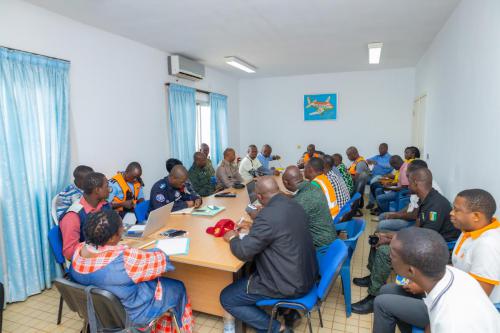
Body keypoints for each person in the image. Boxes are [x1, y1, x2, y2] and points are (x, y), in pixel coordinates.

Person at [373, 189, 500, 333]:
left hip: (458, 307)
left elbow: (476, 297)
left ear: (476, 216)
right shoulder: (469, 231)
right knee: (387, 289)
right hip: (446, 290)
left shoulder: (488, 245)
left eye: (457, 210)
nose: (451, 213)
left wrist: (425, 287)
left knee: (382, 304)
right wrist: (423, 281)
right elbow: (457, 268)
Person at [351, 167, 459, 314]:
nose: (407, 184)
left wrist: (393, 241)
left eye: (409, 181)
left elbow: (425, 240)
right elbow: (417, 228)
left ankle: (374, 296)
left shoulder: (435, 206)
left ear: (416, 183)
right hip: (424, 241)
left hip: (435, 250)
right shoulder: (426, 199)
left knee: (384, 250)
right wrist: (389, 236)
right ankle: (373, 276)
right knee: (379, 236)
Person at [220, 177, 318, 333]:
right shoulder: (294, 204)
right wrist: (254, 227)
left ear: (259, 197)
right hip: (307, 273)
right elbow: (280, 229)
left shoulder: (267, 216)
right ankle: (287, 311)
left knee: (227, 298)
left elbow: (244, 252)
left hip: (289, 283)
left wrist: (232, 238)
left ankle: (278, 328)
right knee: (253, 268)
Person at [70, 210, 193, 332]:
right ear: (112, 237)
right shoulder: (126, 259)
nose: (123, 229)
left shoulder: (78, 251)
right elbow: (161, 261)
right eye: (121, 227)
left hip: (97, 312)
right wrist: (140, 251)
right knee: (178, 286)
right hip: (132, 316)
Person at [389, 228, 500, 333]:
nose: (389, 256)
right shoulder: (456, 275)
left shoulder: (450, 324)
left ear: (411, 270)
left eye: (393, 255)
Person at [60, 172, 112, 260]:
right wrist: (97, 250)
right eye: (107, 186)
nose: (109, 190)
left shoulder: (104, 205)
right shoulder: (73, 216)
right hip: (85, 261)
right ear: (97, 190)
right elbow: (69, 253)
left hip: (106, 252)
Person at [282, 166, 336, 248]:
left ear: (285, 182)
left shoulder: (301, 200)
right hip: (329, 235)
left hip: (321, 246)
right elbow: (302, 199)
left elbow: (284, 224)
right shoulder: (312, 187)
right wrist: (287, 196)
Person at [366, 143, 393, 209]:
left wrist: (378, 163)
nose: (380, 150)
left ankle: (371, 202)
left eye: (381, 149)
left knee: (373, 181)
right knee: (360, 178)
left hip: (383, 176)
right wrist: (368, 161)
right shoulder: (377, 156)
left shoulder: (390, 158)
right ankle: (358, 201)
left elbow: (389, 166)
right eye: (379, 149)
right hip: (372, 174)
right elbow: (367, 160)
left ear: (386, 149)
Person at [346, 146, 370, 214]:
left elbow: (356, 178)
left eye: (348, 155)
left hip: (355, 185)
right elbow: (351, 172)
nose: (348, 157)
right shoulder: (356, 162)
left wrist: (345, 174)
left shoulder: (360, 163)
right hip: (354, 184)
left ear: (354, 154)